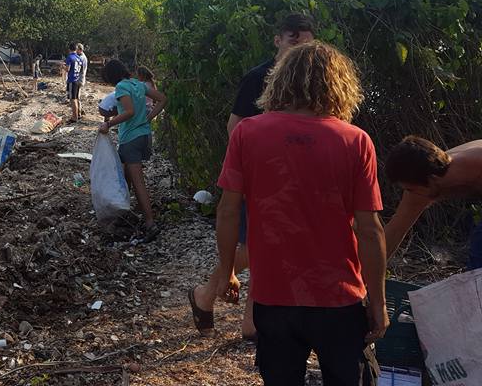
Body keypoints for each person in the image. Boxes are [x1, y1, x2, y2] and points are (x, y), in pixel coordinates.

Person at [189, 41, 388, 386]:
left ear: (280, 81)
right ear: (339, 85)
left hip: (273, 297)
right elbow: (370, 231)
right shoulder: (356, 141)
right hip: (338, 298)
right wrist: (379, 302)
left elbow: (227, 212)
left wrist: (227, 273)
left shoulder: (247, 133)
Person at [208, 13, 317, 340]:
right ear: (278, 40)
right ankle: (230, 306)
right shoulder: (259, 77)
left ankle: (235, 312)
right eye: (292, 39)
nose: (298, 47)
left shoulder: (312, 82)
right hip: (258, 177)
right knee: (259, 245)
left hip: (293, 179)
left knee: (269, 245)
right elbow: (235, 127)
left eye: (305, 42)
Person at [383, 137, 482, 267]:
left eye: (410, 188)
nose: (410, 193)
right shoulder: (419, 188)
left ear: (432, 180)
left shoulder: (476, 163)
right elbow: (394, 232)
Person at [98, 59, 168, 239]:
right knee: (125, 175)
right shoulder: (137, 84)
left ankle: (150, 223)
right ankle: (124, 213)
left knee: (138, 183)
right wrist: (148, 118)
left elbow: (128, 112)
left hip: (131, 138)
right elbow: (162, 99)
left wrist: (108, 124)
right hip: (144, 136)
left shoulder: (121, 87)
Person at [65, 44, 84, 122]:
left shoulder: (70, 57)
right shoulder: (79, 58)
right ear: (76, 49)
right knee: (75, 98)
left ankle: (74, 117)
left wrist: (63, 67)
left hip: (72, 80)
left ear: (69, 49)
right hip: (77, 80)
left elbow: (67, 69)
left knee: (73, 99)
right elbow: (81, 69)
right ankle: (77, 115)